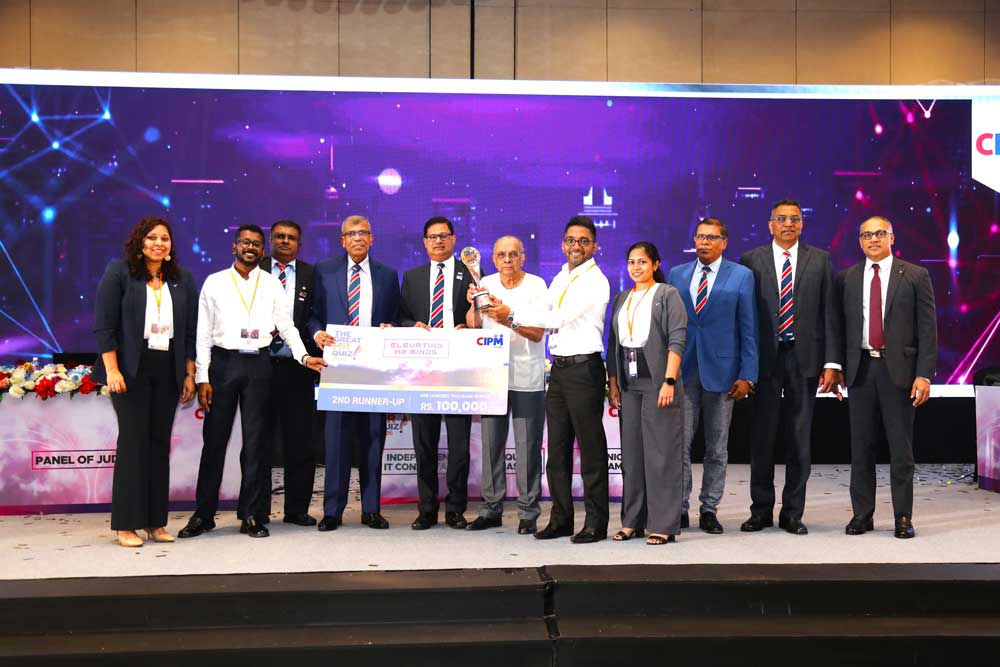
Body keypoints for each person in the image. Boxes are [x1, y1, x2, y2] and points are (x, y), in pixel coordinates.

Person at [178, 225, 325, 539]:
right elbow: (203, 333)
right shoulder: (215, 281)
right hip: (223, 365)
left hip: (259, 365)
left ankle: (251, 515)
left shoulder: (271, 284)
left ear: (262, 250)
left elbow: (286, 326)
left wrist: (303, 356)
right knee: (214, 442)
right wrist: (203, 376)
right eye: (245, 242)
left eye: (256, 244)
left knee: (257, 444)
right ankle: (203, 515)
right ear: (234, 247)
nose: (250, 248)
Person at [487, 215, 611, 544]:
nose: (576, 246)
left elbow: (557, 318)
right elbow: (542, 310)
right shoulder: (560, 277)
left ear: (594, 245)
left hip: (584, 369)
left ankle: (596, 523)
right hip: (559, 370)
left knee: (591, 450)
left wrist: (510, 314)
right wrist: (500, 306)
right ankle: (561, 519)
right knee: (556, 451)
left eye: (583, 241)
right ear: (563, 244)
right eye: (570, 240)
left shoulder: (595, 280)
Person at [93, 217, 198, 548]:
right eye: (152, 237)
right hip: (129, 370)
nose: (158, 243)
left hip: (168, 369)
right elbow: (105, 326)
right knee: (133, 443)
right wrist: (112, 370)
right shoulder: (119, 273)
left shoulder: (181, 279)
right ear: (140, 242)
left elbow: (190, 331)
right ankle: (126, 524)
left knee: (158, 445)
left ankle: (155, 522)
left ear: (171, 246)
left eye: (164, 238)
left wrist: (189, 373)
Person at [739, 199, 842, 535]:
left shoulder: (820, 259)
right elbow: (744, 316)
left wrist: (831, 362)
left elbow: (829, 313)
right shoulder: (750, 260)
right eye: (781, 219)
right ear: (770, 224)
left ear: (802, 224)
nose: (788, 224)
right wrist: (743, 364)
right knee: (762, 438)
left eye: (794, 219)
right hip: (764, 360)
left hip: (805, 358)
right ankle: (760, 511)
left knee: (799, 439)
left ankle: (793, 513)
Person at [837, 216, 937, 539]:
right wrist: (836, 367)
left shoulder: (916, 275)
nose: (873, 239)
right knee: (861, 448)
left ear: (891, 237)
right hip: (861, 370)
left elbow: (928, 329)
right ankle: (862, 515)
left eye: (879, 233)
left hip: (900, 373)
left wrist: (924, 374)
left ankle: (903, 517)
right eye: (866, 235)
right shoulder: (848, 277)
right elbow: (839, 327)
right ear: (860, 241)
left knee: (900, 449)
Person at [310, 215, 401, 532]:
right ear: (343, 240)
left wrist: (392, 327)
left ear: (372, 239)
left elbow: (396, 316)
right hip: (337, 370)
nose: (358, 238)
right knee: (336, 442)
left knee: (373, 441)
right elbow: (313, 315)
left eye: (364, 233)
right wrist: (317, 334)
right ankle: (332, 511)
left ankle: (371, 509)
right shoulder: (324, 270)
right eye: (352, 233)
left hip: (374, 371)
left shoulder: (388, 275)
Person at [667, 219, 757, 534]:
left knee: (717, 448)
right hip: (684, 370)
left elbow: (749, 328)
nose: (704, 242)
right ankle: (678, 509)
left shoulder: (741, 275)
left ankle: (709, 510)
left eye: (711, 237)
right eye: (700, 236)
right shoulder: (677, 274)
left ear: (724, 242)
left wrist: (748, 374)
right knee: (680, 445)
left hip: (724, 373)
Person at [464, 236, 547, 535]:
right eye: (501, 255)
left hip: (527, 377)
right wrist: (473, 305)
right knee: (490, 446)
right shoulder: (485, 282)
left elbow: (538, 333)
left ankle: (528, 512)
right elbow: (473, 324)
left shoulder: (536, 285)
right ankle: (490, 509)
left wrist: (507, 317)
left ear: (523, 257)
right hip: (492, 378)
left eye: (513, 254)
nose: (508, 260)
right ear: (494, 259)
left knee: (527, 447)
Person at [607, 242, 687, 545]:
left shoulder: (667, 294)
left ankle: (663, 525)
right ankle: (633, 521)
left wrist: (669, 380)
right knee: (632, 456)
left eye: (642, 261)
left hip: (658, 382)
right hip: (629, 384)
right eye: (631, 262)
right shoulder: (622, 297)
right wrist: (613, 381)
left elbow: (677, 339)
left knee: (661, 455)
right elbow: (613, 342)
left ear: (655, 264)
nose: (636, 267)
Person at [398, 216, 476, 530]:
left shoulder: (471, 273)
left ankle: (456, 508)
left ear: (454, 239)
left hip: (458, 369)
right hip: (423, 369)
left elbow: (480, 318)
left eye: (444, 236)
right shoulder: (412, 277)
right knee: (424, 443)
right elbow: (401, 317)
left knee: (459, 445)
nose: (438, 241)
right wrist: (411, 325)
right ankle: (427, 508)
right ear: (424, 242)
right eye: (432, 237)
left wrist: (468, 325)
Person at [258, 220, 321, 528]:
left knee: (301, 442)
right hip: (259, 367)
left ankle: (296, 509)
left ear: (299, 244)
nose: (285, 241)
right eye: (280, 236)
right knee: (258, 442)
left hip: (299, 368)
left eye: (291, 238)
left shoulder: (312, 274)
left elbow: (314, 317)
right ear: (270, 240)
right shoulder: (254, 269)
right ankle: (257, 510)